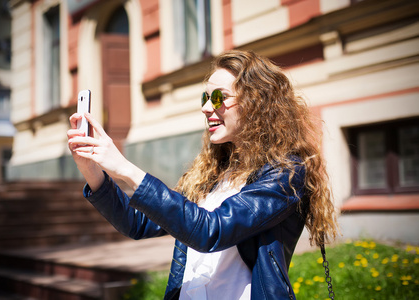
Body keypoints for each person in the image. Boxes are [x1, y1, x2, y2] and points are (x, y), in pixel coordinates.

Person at [67, 50, 339, 300]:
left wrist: (125, 168)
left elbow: (211, 230)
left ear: (257, 102)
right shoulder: (213, 172)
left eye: (219, 97)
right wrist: (90, 168)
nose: (207, 107)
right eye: (205, 98)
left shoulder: (285, 173)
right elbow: (137, 223)